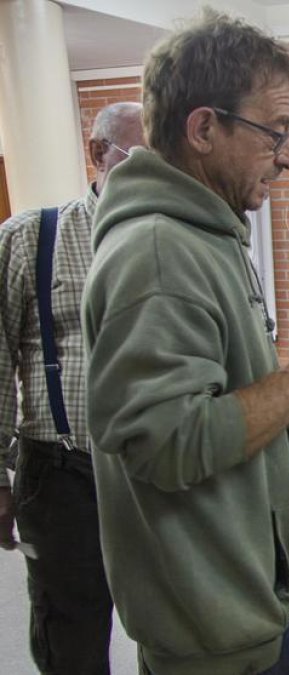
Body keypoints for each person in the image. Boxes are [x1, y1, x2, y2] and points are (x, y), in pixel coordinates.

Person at [82, 11, 289, 675]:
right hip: (207, 630)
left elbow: (216, 405)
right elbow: (170, 443)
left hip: (242, 599)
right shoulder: (161, 254)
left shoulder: (204, 236)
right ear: (203, 128)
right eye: (276, 131)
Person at [0, 101, 143, 675]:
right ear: (97, 153)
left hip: (158, 471)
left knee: (175, 625)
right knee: (72, 634)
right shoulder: (32, 238)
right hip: (63, 476)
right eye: (136, 161)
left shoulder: (176, 242)